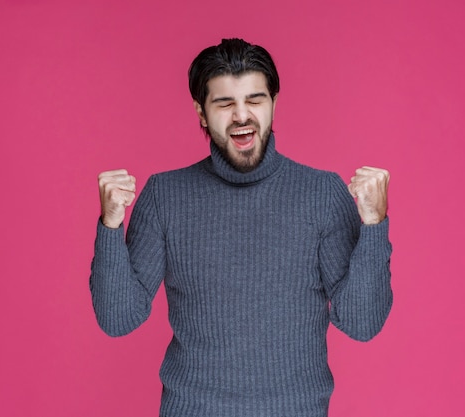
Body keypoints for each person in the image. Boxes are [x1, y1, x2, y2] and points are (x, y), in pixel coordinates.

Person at [90, 38, 392, 417]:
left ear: (274, 104)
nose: (242, 116)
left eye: (254, 100)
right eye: (225, 103)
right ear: (201, 112)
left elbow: (362, 323)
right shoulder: (165, 195)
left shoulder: (322, 193)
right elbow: (118, 319)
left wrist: (375, 225)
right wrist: (110, 226)